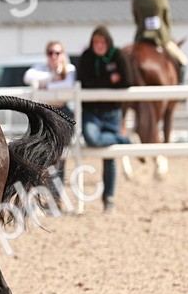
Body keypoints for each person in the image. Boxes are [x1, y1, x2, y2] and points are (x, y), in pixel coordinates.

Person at [77, 25, 132, 212]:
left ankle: (109, 198)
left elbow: (128, 80)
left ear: (108, 42)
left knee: (109, 156)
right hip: (91, 112)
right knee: (92, 138)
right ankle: (123, 140)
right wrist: (110, 80)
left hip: (112, 113)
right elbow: (83, 82)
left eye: (102, 42)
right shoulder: (86, 57)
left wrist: (102, 82)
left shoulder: (118, 55)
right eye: (96, 42)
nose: (99, 45)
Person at [23, 40, 76, 191]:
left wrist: (43, 85)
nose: (54, 56)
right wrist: (52, 79)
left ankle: (55, 195)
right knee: (41, 154)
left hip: (61, 113)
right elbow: (28, 77)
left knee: (59, 155)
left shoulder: (69, 69)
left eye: (57, 53)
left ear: (63, 54)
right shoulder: (40, 68)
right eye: (50, 53)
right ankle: (44, 192)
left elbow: (67, 85)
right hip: (45, 113)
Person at [132, 0, 188, 83]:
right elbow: (166, 20)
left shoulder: (136, 1)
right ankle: (180, 85)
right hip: (161, 38)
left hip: (141, 38)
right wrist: (169, 36)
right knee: (183, 61)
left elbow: (137, 21)